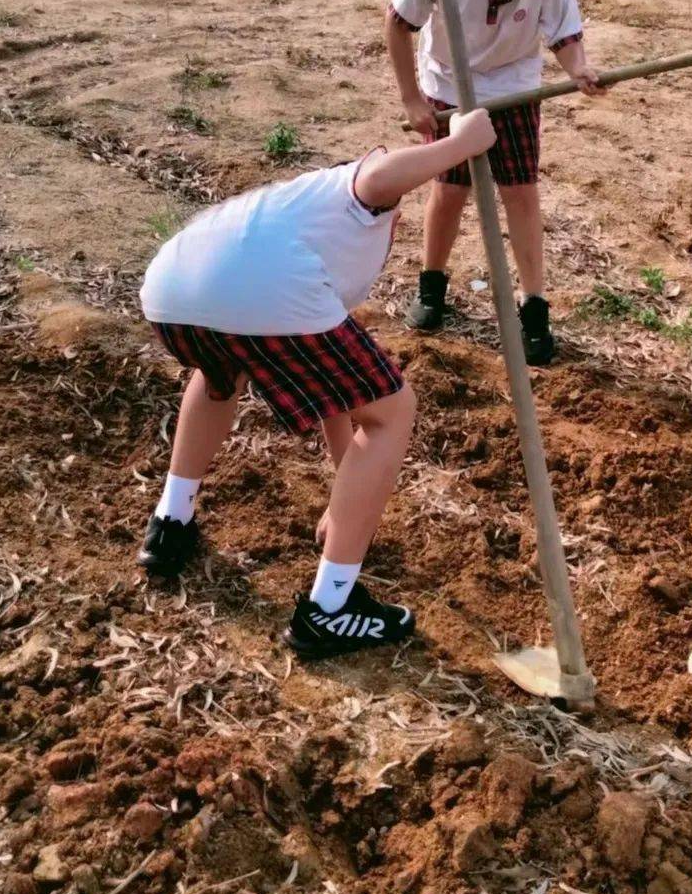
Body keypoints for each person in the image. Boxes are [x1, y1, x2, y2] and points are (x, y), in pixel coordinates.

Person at [137, 109, 496, 658]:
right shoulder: (356, 197)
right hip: (263, 285)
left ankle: (170, 523)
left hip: (172, 288)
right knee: (394, 410)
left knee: (218, 377)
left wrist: (344, 496)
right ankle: (330, 608)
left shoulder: (297, 213)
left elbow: (336, 397)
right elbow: (379, 176)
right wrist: (460, 144)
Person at [386, 0, 603, 366]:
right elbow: (397, 25)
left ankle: (534, 310)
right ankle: (432, 287)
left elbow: (565, 34)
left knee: (521, 192)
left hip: (514, 86)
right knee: (450, 190)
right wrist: (412, 100)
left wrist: (579, 69)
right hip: (449, 86)